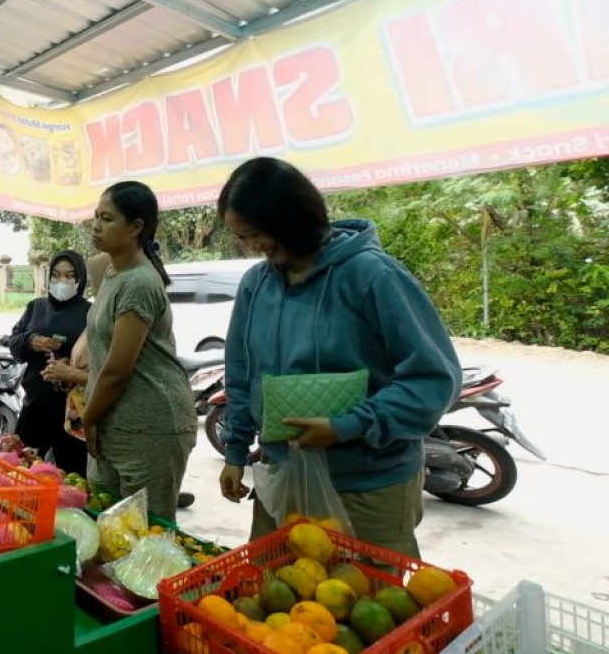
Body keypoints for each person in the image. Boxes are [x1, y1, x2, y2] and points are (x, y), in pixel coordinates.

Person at [215, 157, 461, 558]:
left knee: (369, 591)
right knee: (275, 586)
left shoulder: (373, 276)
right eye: (242, 236)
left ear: (290, 219)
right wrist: (235, 451)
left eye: (255, 233)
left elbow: (433, 381)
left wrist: (346, 426)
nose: (251, 246)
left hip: (369, 485)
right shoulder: (255, 285)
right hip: (283, 474)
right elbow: (241, 374)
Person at [80, 182, 197, 519]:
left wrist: (88, 419)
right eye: (95, 217)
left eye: (107, 219)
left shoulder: (139, 283)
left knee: (147, 535)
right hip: (113, 421)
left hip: (151, 427)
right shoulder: (111, 273)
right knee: (104, 526)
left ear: (135, 227)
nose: (96, 226)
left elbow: (117, 370)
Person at [7, 251, 91, 474]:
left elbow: (99, 360)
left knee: (73, 477)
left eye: (70, 276)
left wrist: (69, 367)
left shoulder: (90, 314)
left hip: (72, 411)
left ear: (80, 279)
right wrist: (31, 341)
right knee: (20, 469)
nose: (62, 281)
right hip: (36, 405)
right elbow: (13, 342)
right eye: (56, 275)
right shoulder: (36, 307)